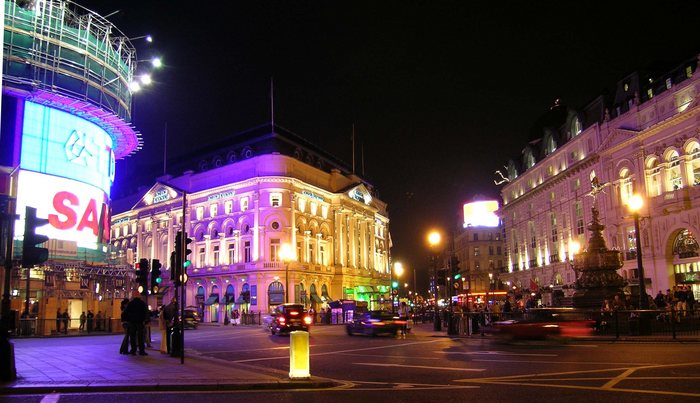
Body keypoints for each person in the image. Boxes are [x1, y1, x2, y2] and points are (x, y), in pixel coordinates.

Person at [123, 291, 149, 355]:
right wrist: (145, 320)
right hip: (140, 322)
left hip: (132, 322)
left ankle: (133, 350)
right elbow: (146, 312)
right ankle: (141, 350)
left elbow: (125, 313)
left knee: (133, 336)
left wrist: (127, 320)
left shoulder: (130, 303)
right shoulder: (142, 303)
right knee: (140, 336)